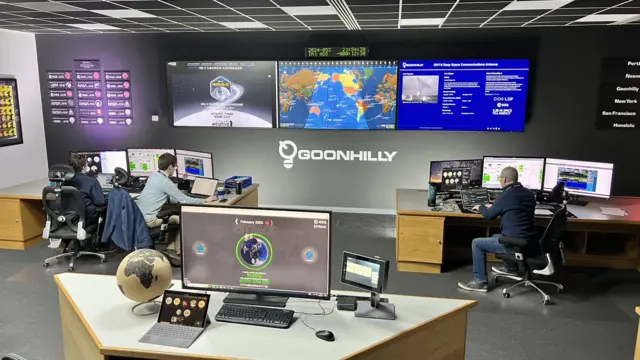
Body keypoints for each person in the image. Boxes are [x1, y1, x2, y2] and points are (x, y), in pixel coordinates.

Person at [457, 166, 536, 293]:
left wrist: (481, 207)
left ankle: (480, 282)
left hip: (514, 243)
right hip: (529, 241)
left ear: (504, 179)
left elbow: (489, 216)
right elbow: (514, 209)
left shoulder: (506, 195)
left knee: (477, 243)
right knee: (495, 236)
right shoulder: (529, 194)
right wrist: (496, 206)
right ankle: (511, 269)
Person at [136, 153, 217, 258]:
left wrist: (178, 197)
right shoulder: (165, 182)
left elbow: (166, 195)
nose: (175, 169)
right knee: (184, 219)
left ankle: (170, 249)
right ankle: (178, 252)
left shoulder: (154, 176)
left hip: (140, 218)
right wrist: (205, 200)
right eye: (175, 166)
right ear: (170, 166)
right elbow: (185, 200)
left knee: (174, 218)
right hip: (151, 220)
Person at [66, 153, 106, 225]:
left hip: (69, 218)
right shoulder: (91, 181)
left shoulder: (64, 181)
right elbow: (100, 202)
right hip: (87, 219)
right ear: (83, 167)